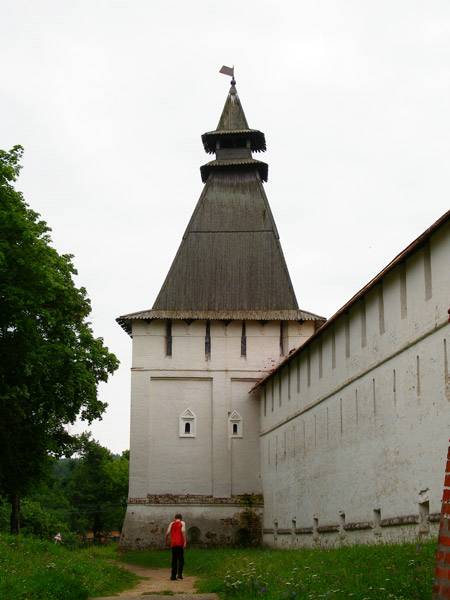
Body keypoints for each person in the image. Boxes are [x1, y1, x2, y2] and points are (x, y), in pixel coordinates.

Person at [165, 513, 186, 580]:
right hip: (180, 543)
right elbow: (183, 531)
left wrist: (166, 540)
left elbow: (167, 533)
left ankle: (173, 576)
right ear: (181, 518)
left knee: (174, 560)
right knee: (181, 559)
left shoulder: (171, 523)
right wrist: (185, 541)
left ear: (175, 518)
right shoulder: (182, 523)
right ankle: (179, 575)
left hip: (173, 544)